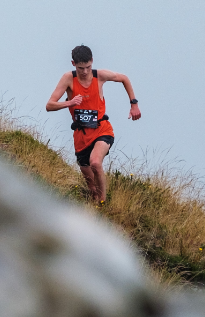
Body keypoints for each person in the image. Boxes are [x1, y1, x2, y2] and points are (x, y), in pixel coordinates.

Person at [45, 45, 141, 205]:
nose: (84, 71)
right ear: (73, 64)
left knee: (95, 163)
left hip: (102, 129)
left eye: (88, 67)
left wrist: (134, 104)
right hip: (81, 136)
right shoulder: (68, 78)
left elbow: (124, 78)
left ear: (92, 61)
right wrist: (70, 102)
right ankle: (97, 202)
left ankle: (104, 203)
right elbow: (50, 105)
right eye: (80, 68)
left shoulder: (100, 76)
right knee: (91, 188)